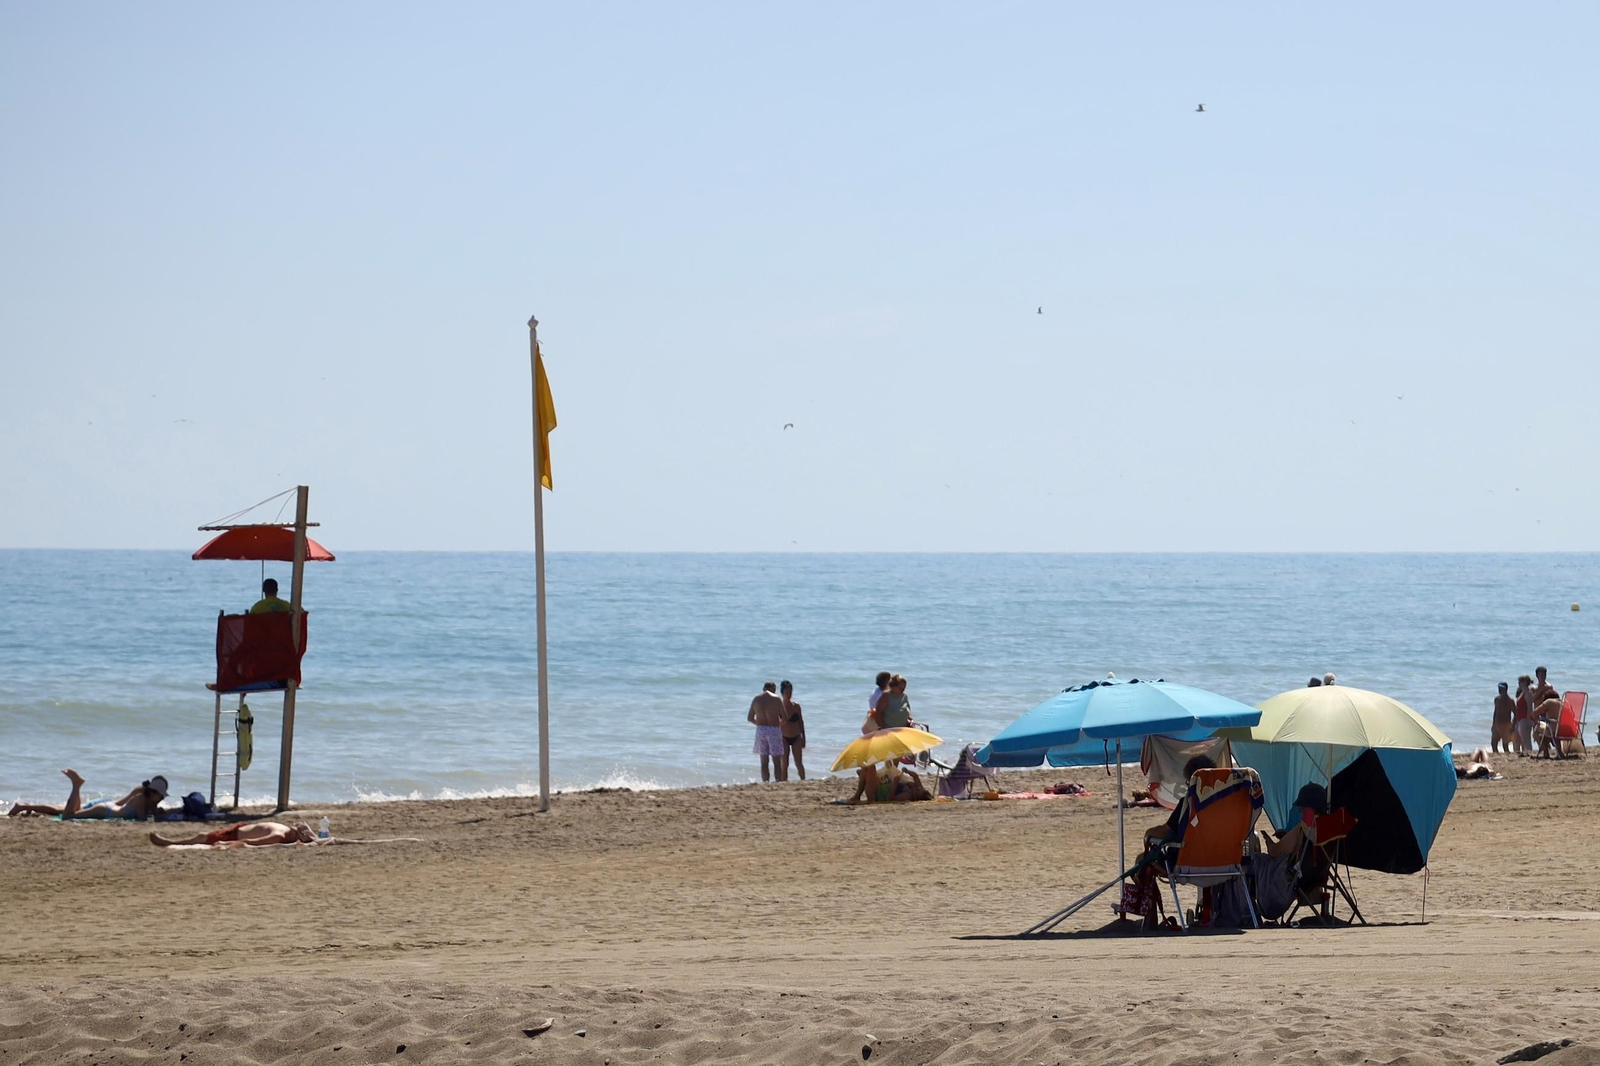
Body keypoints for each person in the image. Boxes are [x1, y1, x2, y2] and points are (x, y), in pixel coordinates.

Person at [1123, 755, 1215, 930]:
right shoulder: (1225, 804)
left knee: (1143, 861)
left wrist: (1148, 833)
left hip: (1188, 861)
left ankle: (1150, 921)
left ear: (1191, 781)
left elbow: (1166, 830)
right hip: (1224, 860)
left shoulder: (1189, 803)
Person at [8, 769, 168, 820]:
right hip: (103, 809)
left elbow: (151, 813)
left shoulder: (146, 799)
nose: (161, 799)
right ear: (153, 793)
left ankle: (26, 807)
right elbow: (141, 820)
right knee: (67, 816)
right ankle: (76, 786)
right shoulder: (141, 798)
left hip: (107, 806)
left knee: (62, 810)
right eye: (160, 795)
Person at [150, 820, 315, 848]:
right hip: (239, 830)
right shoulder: (282, 832)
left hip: (236, 835)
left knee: (202, 837)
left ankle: (170, 842)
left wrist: (227, 844)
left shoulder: (280, 834)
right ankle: (171, 842)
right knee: (203, 836)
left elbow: (253, 842)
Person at [748, 682, 787, 782]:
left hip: (761, 730)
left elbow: (750, 718)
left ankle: (765, 782)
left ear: (763, 688)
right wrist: (778, 725)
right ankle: (778, 781)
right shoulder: (776, 698)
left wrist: (759, 723)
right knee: (776, 760)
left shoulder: (756, 699)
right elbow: (785, 718)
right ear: (774, 689)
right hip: (774, 729)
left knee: (764, 761)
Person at [1532, 666, 1565, 758]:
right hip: (1539, 711)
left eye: (1544, 674)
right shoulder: (1534, 687)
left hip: (1547, 711)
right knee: (1540, 732)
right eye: (1540, 674)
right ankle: (1546, 751)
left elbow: (1550, 698)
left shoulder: (1549, 686)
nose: (1542, 676)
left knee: (1543, 731)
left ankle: (1551, 750)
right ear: (1537, 676)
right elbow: (1532, 700)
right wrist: (1541, 690)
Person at [778, 680, 806, 781]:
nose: (788, 695)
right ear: (782, 693)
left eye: (790, 693)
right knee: (784, 764)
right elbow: (776, 724)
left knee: (798, 762)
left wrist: (804, 738)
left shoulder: (796, 706)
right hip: (783, 737)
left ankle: (803, 780)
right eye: (786, 693)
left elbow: (801, 722)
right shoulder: (779, 707)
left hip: (796, 736)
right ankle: (783, 782)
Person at [1513, 674, 1536, 755]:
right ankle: (1526, 752)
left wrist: (1527, 718)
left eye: (1521, 681)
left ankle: (1529, 753)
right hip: (1520, 719)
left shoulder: (1528, 693)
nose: (1519, 683)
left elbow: (1530, 707)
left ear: (1526, 682)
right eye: (1519, 681)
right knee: (1522, 738)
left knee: (1526, 739)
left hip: (1525, 719)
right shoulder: (1523, 692)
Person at [1491, 682, 1516, 754]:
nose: (1499, 690)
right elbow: (1495, 712)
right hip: (1497, 723)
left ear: (1505, 689)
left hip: (1506, 724)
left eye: (1501, 688)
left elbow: (1516, 714)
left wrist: (1513, 726)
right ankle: (1496, 755)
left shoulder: (1510, 701)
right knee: (1494, 743)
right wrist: (1493, 724)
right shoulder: (1497, 699)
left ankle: (1507, 756)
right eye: (1499, 688)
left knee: (1505, 744)